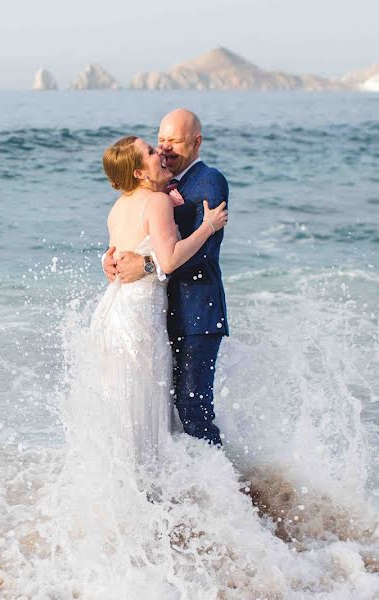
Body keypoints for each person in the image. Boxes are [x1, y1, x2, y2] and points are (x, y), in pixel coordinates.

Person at [91, 135, 227, 463]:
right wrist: (207, 227)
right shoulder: (156, 203)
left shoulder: (117, 207)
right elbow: (168, 261)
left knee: (125, 403)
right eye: (151, 151)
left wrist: (105, 263)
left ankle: (126, 483)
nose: (159, 152)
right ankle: (154, 483)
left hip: (113, 311)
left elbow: (115, 255)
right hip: (140, 315)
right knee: (148, 401)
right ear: (139, 173)